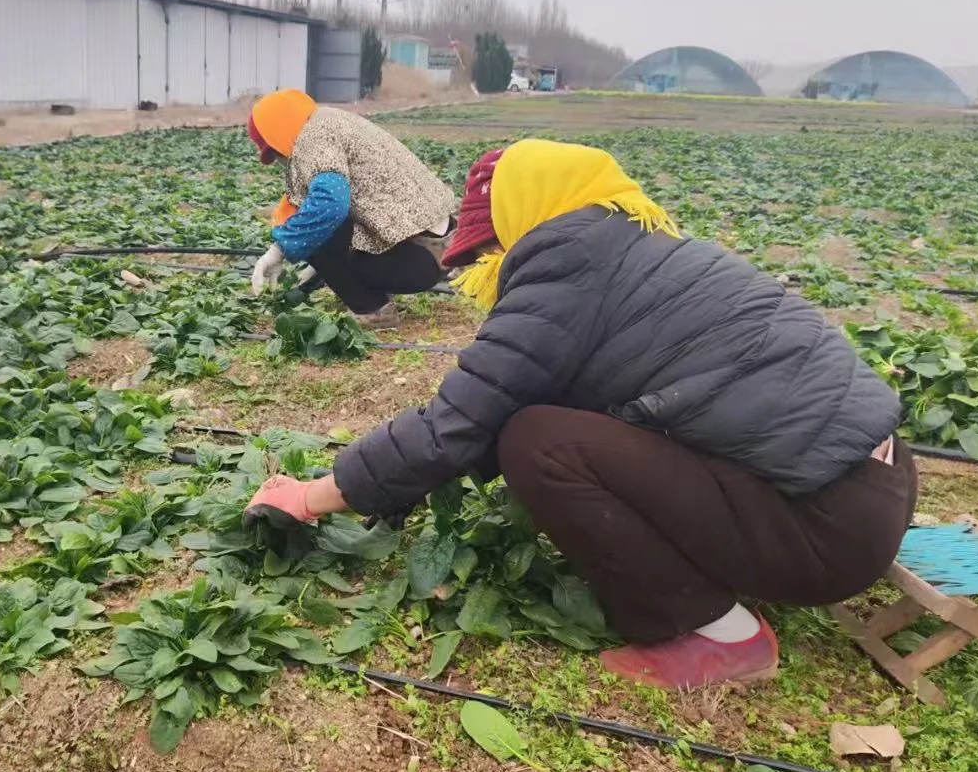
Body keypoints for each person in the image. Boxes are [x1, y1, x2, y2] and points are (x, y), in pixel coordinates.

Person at [243, 139, 916, 689]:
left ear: (525, 215)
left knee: (539, 441)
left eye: (490, 246)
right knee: (545, 421)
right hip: (867, 489)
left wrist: (314, 494)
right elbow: (502, 401)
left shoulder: (564, 267)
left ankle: (721, 634)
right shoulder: (626, 248)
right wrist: (395, 487)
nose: (488, 264)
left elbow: (462, 421)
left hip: (825, 531)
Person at [246, 88, 457, 329]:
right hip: (443, 248)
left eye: (274, 151)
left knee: (311, 224)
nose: (281, 158)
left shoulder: (313, 138)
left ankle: (373, 310)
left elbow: (330, 204)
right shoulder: (331, 121)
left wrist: (280, 250)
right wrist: (322, 272)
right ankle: (366, 289)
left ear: (278, 131)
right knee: (313, 224)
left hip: (419, 259)